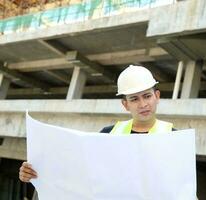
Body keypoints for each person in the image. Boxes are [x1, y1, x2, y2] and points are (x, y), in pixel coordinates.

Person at [19, 65, 175, 182]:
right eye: (134, 99)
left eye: (147, 96)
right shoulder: (107, 135)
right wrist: (34, 172)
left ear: (157, 96)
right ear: (125, 104)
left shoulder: (174, 137)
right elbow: (77, 170)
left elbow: (183, 187)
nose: (142, 104)